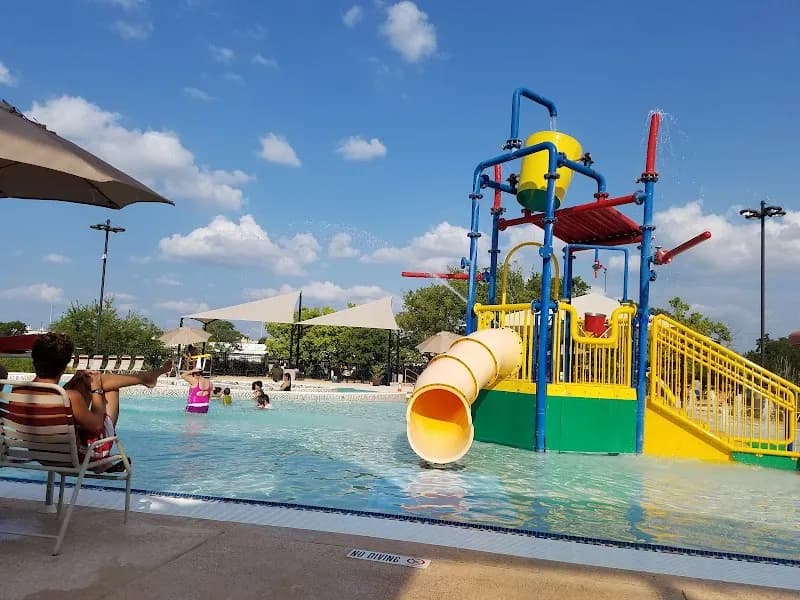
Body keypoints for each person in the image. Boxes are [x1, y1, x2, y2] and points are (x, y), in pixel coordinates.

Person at [12, 333, 171, 469]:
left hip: (39, 453)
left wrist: (75, 382)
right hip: (74, 458)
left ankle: (145, 378)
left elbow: (47, 393)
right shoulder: (70, 397)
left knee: (84, 381)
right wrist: (96, 389)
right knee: (108, 388)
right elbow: (96, 426)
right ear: (64, 367)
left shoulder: (17, 391)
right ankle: (145, 378)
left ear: (34, 360)